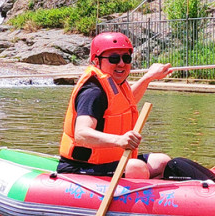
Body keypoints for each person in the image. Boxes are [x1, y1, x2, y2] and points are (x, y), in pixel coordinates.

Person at [58, 32, 173, 179]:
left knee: (162, 161)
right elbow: (81, 134)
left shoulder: (115, 83)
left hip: (110, 161)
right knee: (136, 167)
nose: (121, 63)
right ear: (96, 61)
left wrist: (148, 78)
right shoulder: (93, 92)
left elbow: (125, 104)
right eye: (113, 58)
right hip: (82, 166)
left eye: (126, 58)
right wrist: (119, 140)